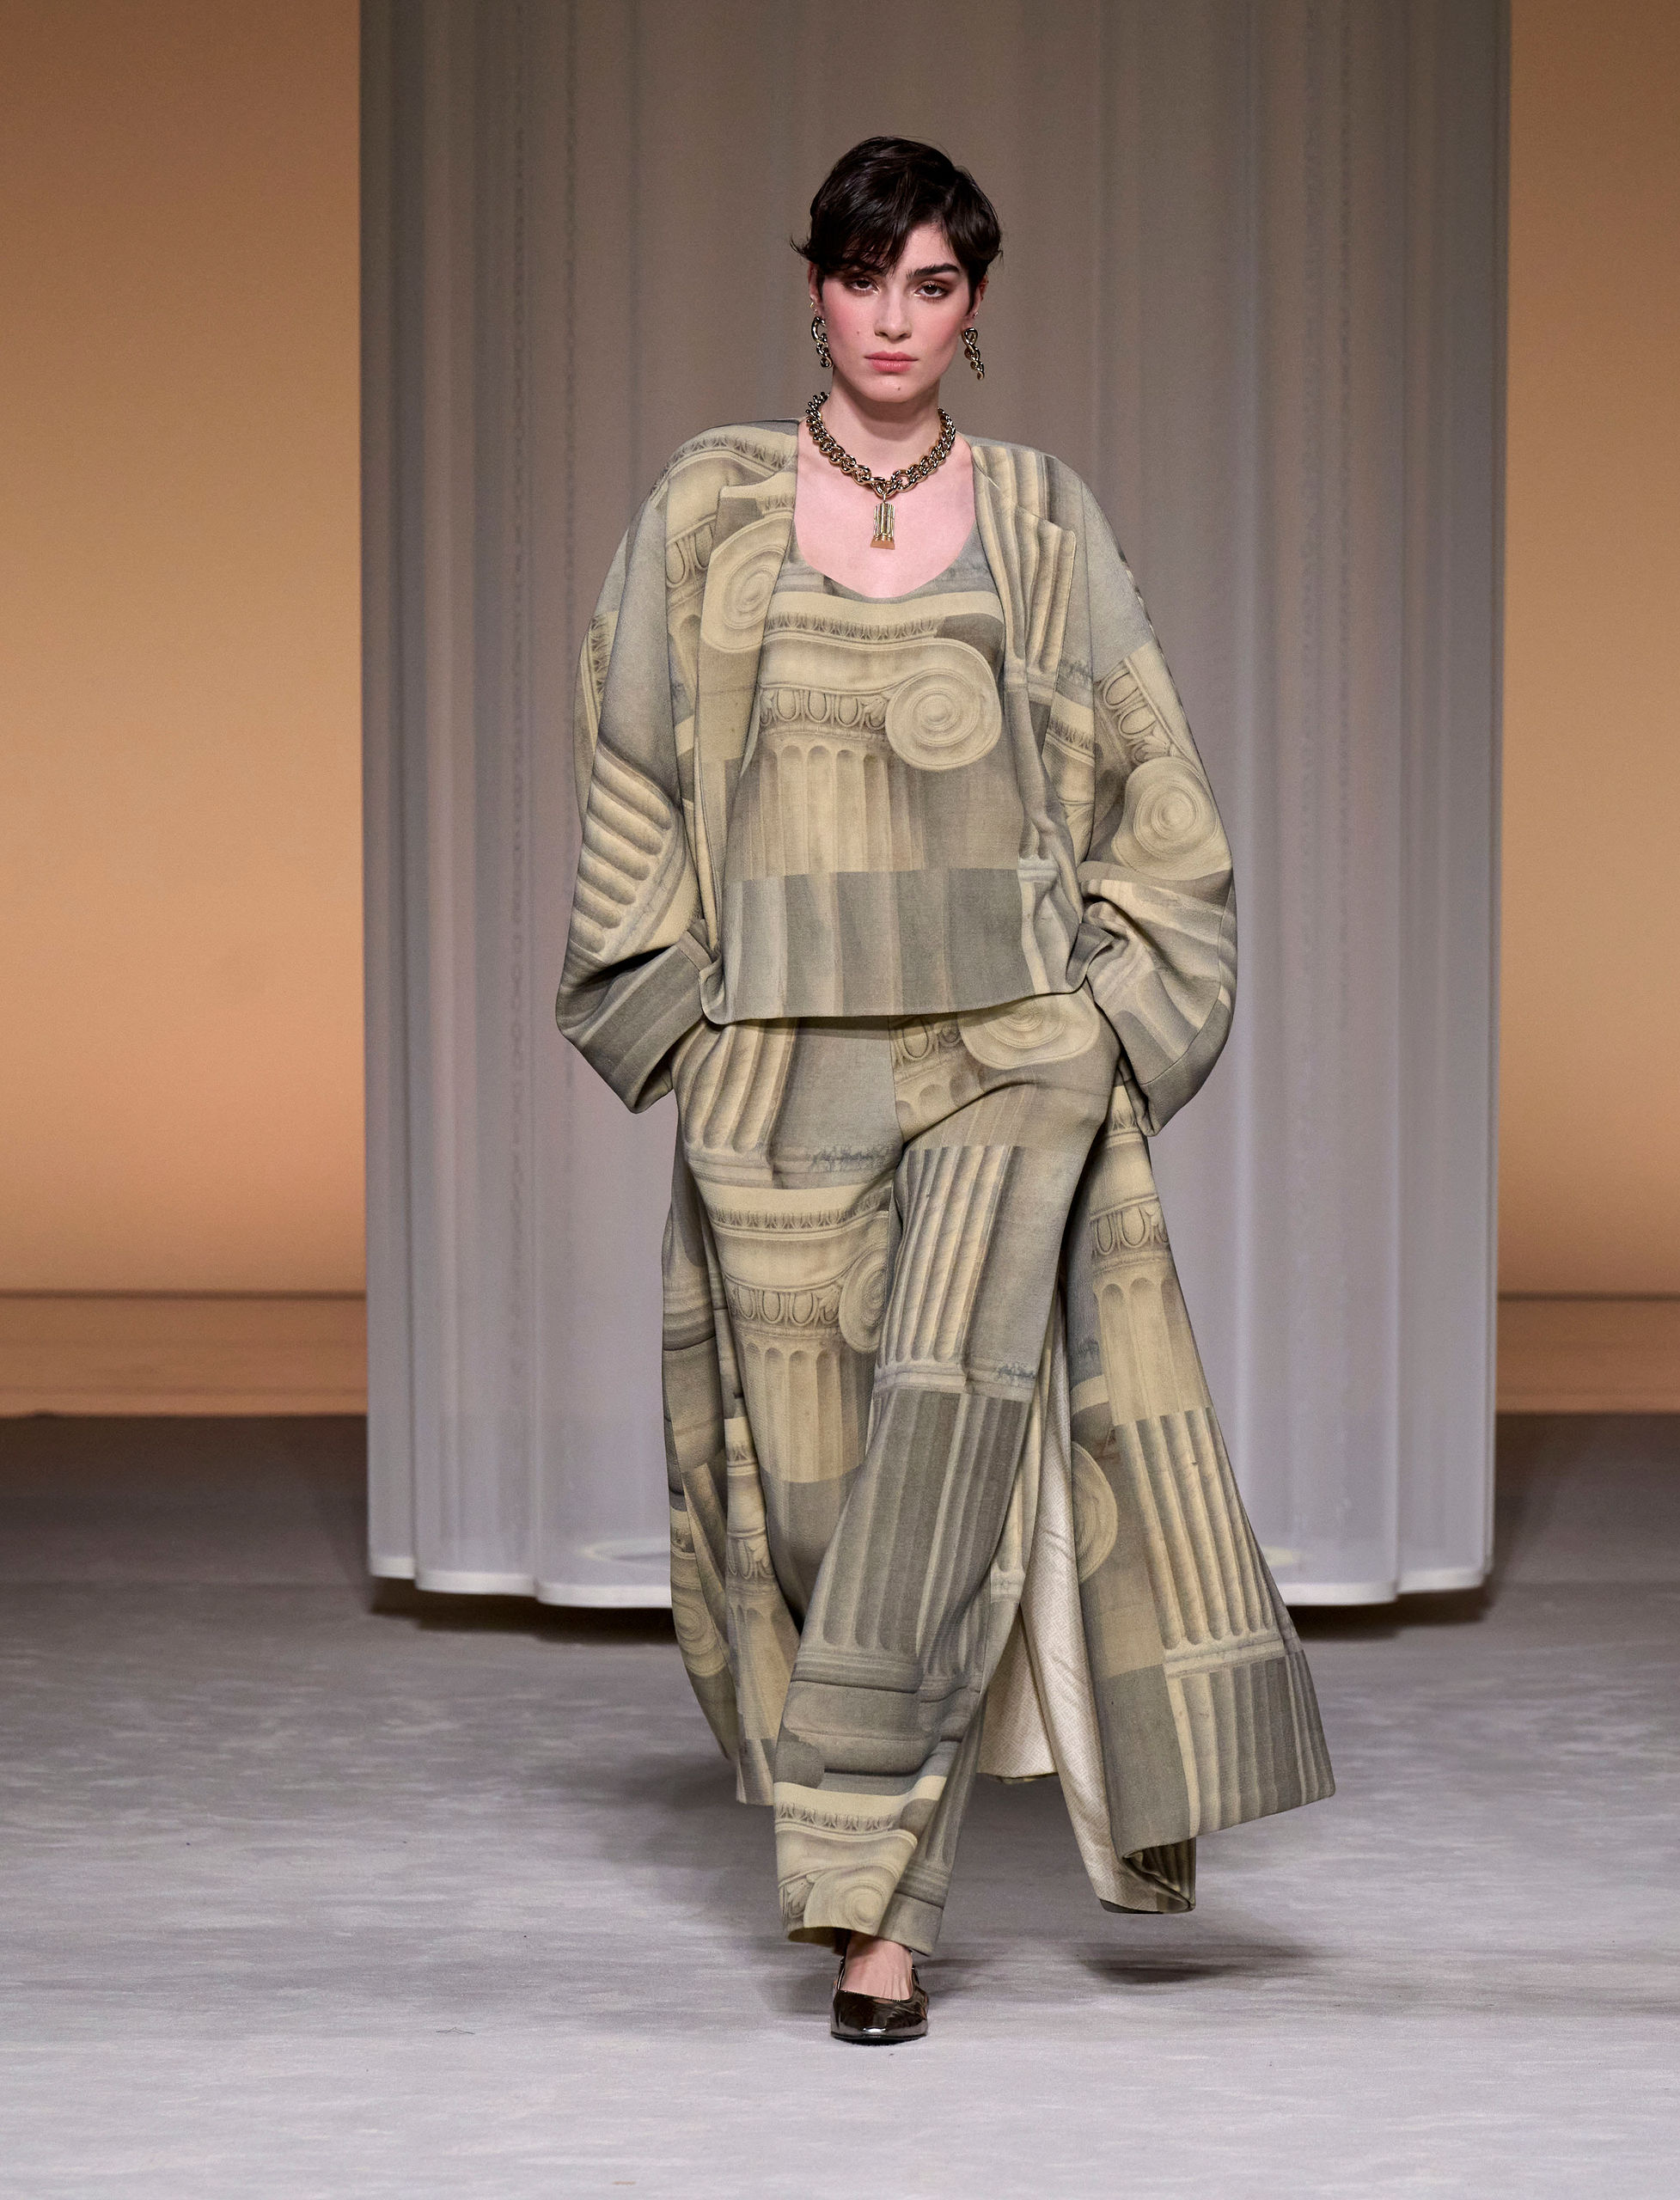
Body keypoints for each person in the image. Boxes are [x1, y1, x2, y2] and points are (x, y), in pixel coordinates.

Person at [557, 137, 1333, 2045]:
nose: (892, 318)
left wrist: (1106, 1021)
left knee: (938, 1481)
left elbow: (1156, 785)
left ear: (972, 306)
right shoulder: (707, 505)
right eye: (862, 277)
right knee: (814, 1511)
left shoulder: (1045, 516)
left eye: (931, 285)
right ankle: (865, 1859)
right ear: (812, 287)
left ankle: (876, 1926)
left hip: (1007, 1058)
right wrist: (679, 1024)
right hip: (776, 1066)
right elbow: (630, 759)